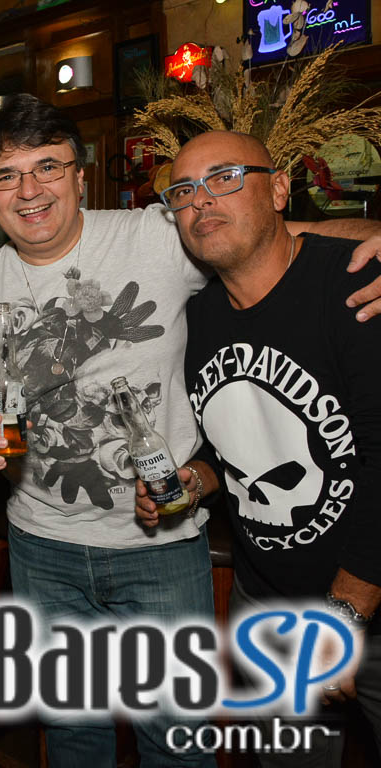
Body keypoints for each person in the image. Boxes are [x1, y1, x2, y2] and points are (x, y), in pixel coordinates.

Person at [0, 94, 381, 767]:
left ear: (80, 175)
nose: (29, 191)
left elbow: (266, 230)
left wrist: (377, 238)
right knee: (72, 735)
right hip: (41, 548)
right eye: (6, 176)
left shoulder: (157, 235)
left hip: (162, 547)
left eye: (48, 167)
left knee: (176, 744)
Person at [136, 129, 381, 765]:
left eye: (224, 178)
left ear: (278, 190)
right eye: (182, 191)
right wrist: (195, 480)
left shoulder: (356, 285)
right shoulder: (200, 320)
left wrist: (346, 612)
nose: (200, 201)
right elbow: (235, 449)